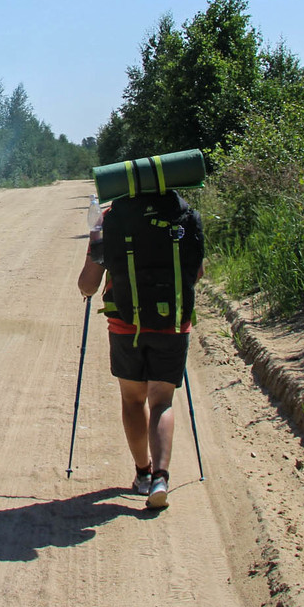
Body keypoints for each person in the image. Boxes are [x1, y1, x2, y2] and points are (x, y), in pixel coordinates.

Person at [76, 193, 204, 510]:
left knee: (134, 400)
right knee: (162, 402)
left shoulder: (109, 219)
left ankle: (143, 474)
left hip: (125, 325)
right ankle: (161, 479)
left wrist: (87, 288)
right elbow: (197, 273)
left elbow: (89, 285)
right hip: (172, 323)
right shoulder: (184, 214)